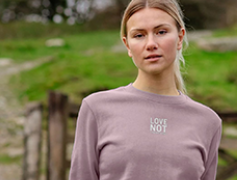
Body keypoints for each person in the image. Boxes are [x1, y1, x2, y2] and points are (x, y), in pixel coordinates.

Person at [69, 0, 222, 179]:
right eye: (139, 35)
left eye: (161, 32)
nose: (150, 43)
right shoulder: (96, 109)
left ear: (180, 38)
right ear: (127, 45)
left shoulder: (208, 122)